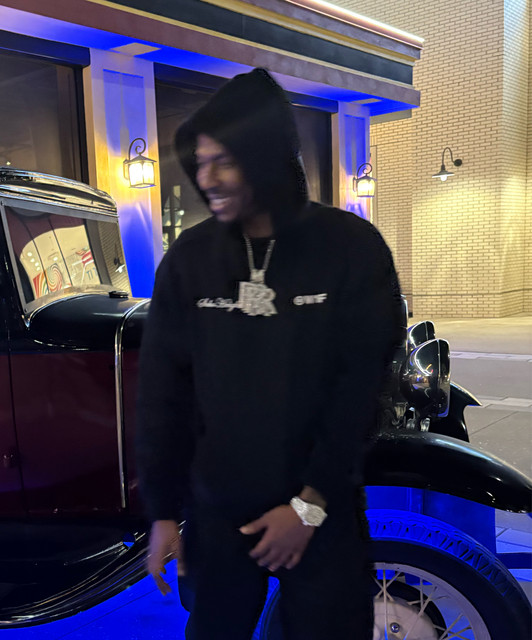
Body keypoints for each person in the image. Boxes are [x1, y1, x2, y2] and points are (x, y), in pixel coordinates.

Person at [136, 68, 404, 640]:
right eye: (200, 162)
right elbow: (163, 392)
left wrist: (309, 505)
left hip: (323, 513)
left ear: (265, 157)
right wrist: (162, 511)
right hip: (218, 512)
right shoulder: (189, 260)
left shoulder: (350, 249)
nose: (206, 178)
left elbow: (362, 390)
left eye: (224, 161)